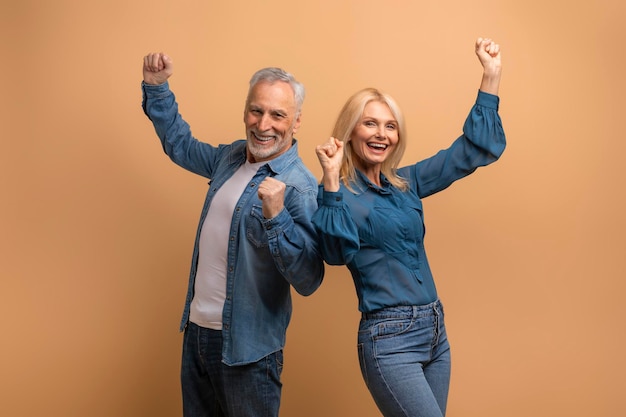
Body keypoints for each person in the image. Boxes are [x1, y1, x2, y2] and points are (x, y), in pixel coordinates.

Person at [312, 37, 506, 417]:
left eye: (390, 126)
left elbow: (472, 152)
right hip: (390, 341)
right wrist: (331, 181)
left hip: (435, 331)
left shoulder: (406, 183)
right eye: (370, 123)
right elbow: (334, 255)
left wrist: (491, 75)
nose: (381, 134)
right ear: (350, 131)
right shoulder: (339, 195)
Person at [141, 53, 324, 417]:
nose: (264, 124)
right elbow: (181, 145)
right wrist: (157, 88)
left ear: (297, 122)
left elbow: (309, 278)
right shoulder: (230, 159)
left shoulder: (300, 188)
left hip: (248, 350)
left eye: (278, 115)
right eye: (256, 111)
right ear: (245, 112)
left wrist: (276, 219)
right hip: (197, 333)